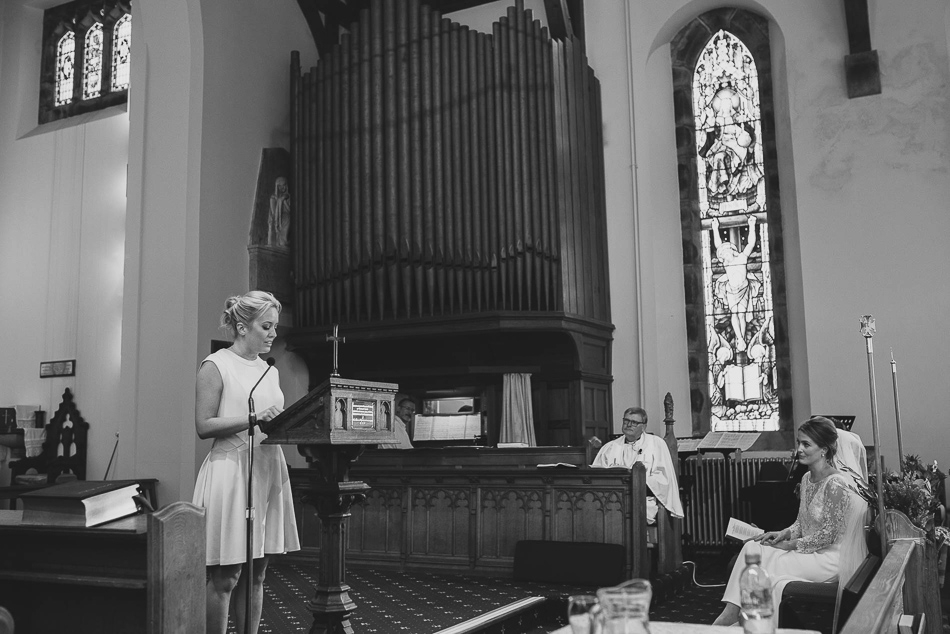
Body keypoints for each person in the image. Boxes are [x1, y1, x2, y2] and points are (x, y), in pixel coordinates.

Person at [193, 291, 300, 634]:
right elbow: (204, 425)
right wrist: (252, 417)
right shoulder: (216, 365)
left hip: (267, 468)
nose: (273, 334)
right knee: (227, 576)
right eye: (266, 326)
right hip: (232, 470)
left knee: (257, 574)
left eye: (274, 327)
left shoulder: (269, 371)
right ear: (242, 326)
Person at [713, 417, 868, 628]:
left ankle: (749, 620)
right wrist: (782, 534)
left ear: (823, 449)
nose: (799, 449)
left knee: (770, 561)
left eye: (806, 444)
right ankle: (732, 611)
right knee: (753, 546)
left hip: (830, 558)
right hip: (810, 550)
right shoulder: (806, 479)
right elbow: (800, 523)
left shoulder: (836, 484)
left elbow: (829, 534)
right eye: (798, 442)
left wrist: (791, 545)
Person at [590, 407, 684, 524]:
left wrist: (637, 481)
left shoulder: (656, 444)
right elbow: (596, 474)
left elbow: (663, 477)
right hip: (611, 496)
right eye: (626, 421)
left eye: (634, 422)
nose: (629, 425)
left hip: (643, 498)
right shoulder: (610, 447)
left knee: (631, 508)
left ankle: (634, 541)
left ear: (644, 426)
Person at [711, 215, 761, 352]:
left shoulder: (742, 257)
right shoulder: (726, 263)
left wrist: (751, 225)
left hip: (744, 289)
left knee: (742, 315)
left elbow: (750, 244)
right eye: (722, 255)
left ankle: (742, 338)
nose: (723, 256)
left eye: (724, 254)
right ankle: (739, 338)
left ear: (730, 251)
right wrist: (715, 228)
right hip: (731, 291)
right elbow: (718, 245)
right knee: (735, 314)